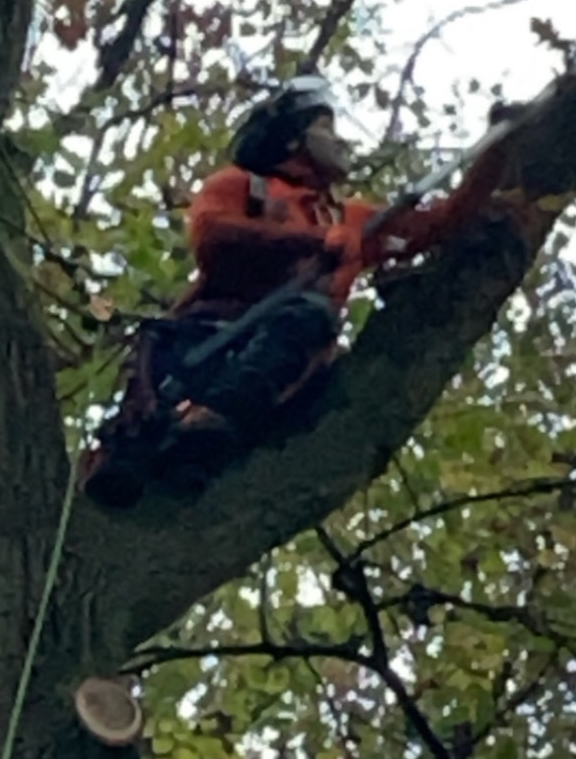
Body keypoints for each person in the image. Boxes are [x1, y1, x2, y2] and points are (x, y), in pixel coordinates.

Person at [81, 74, 511, 506]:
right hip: (206, 341)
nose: (340, 141)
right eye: (326, 127)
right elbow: (212, 234)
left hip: (284, 358)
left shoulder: (349, 218)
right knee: (153, 417)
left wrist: (496, 152)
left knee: (311, 317)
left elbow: (437, 225)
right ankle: (153, 451)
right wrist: (309, 243)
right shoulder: (245, 187)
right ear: (292, 139)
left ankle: (211, 431)